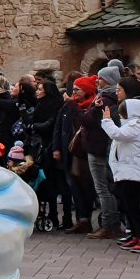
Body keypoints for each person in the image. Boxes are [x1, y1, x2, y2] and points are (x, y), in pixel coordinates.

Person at [102, 97, 140, 252]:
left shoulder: (136, 127)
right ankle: (137, 236)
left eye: (122, 113)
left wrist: (106, 120)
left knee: (134, 208)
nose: (120, 116)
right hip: (126, 173)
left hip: (133, 174)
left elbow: (116, 134)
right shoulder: (131, 126)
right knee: (128, 207)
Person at [79, 66, 122, 239]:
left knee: (102, 188)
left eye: (101, 78)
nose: (97, 81)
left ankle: (109, 224)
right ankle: (111, 223)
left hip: (98, 148)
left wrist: (76, 109)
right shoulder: (109, 96)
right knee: (106, 187)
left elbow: (90, 121)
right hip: (102, 147)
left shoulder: (105, 99)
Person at [56, 75, 96, 234]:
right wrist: (56, 147)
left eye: (78, 89)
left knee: (86, 188)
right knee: (74, 187)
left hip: (85, 153)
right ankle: (82, 220)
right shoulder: (68, 106)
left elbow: (86, 121)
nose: (74, 92)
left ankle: (86, 219)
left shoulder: (91, 105)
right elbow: (58, 127)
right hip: (70, 151)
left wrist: (72, 105)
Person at [32, 80, 64, 228]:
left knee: (54, 181)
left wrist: (34, 126)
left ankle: (55, 215)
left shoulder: (55, 105)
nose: (37, 92)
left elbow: (49, 125)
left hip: (51, 147)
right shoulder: (40, 105)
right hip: (43, 146)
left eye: (40, 89)